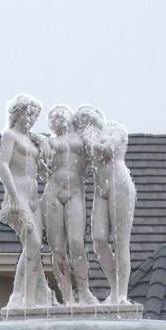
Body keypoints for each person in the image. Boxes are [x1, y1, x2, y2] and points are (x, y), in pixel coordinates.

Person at [0, 94, 53, 309]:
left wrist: (42, 143)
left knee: (34, 248)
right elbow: (3, 166)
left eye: (35, 115)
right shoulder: (9, 135)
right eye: (28, 113)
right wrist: (13, 196)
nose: (31, 118)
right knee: (33, 243)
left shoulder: (32, 139)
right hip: (18, 193)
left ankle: (30, 296)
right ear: (17, 113)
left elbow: (39, 170)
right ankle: (22, 297)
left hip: (32, 195)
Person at [75, 105, 135, 305]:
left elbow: (108, 150)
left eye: (86, 119)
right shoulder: (85, 140)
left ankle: (122, 294)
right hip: (101, 189)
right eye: (80, 122)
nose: (84, 124)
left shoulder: (114, 129)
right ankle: (114, 287)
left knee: (120, 242)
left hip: (119, 183)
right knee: (99, 240)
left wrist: (91, 140)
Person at [39, 104, 98, 306]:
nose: (57, 118)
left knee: (76, 243)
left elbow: (96, 150)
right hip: (53, 192)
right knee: (58, 249)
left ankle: (84, 291)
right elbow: (36, 163)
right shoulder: (49, 141)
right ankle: (68, 297)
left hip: (74, 192)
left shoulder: (81, 140)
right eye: (53, 117)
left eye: (60, 114)